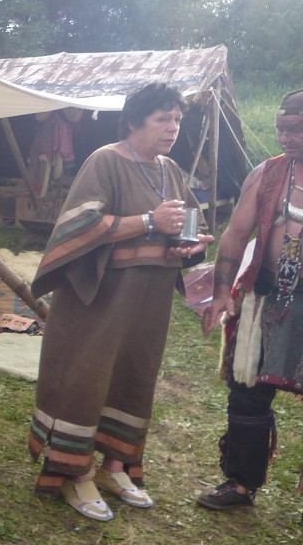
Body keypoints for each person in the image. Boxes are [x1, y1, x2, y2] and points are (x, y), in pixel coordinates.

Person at [27, 82, 212, 521]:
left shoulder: (170, 169)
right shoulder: (106, 160)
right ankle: (76, 474)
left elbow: (189, 224)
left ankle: (115, 466)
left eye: (177, 120)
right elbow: (77, 225)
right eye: (162, 119)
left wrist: (193, 246)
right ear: (134, 121)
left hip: (149, 301)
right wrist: (148, 221)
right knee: (86, 377)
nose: (172, 128)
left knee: (134, 374)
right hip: (99, 299)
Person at [196, 89, 303, 510]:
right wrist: (223, 290)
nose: (286, 137)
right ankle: (240, 483)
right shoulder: (268, 175)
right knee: (247, 389)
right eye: (281, 128)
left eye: (296, 129)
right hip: (267, 297)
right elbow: (237, 234)